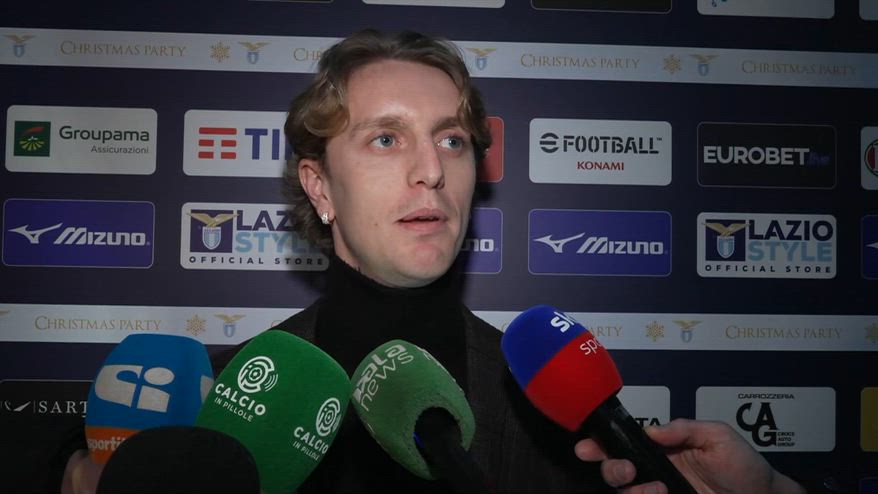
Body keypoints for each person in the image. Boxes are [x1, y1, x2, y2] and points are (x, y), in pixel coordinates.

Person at [57, 29, 809, 494]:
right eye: (386, 139)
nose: (431, 171)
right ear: (320, 187)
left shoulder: (555, 408)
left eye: (451, 139)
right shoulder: (222, 402)